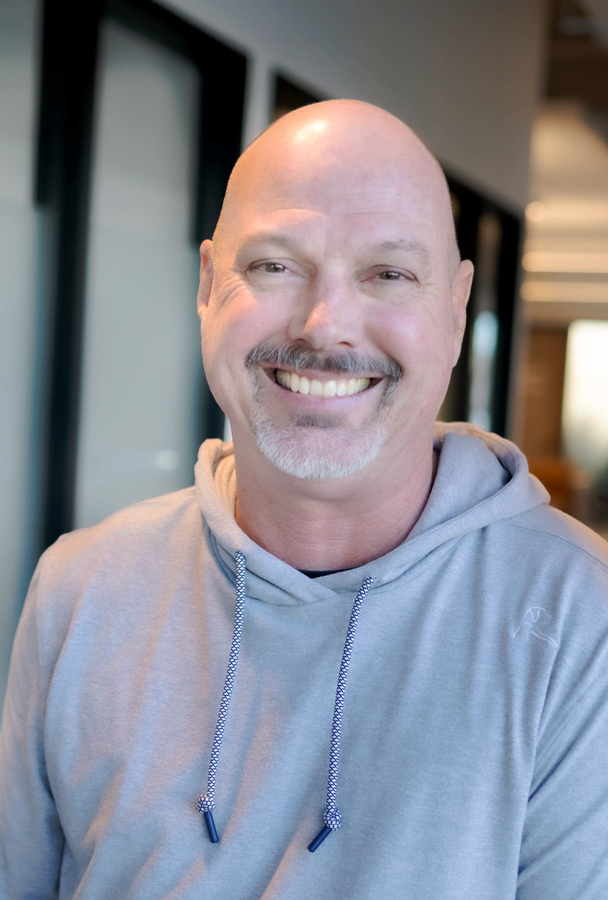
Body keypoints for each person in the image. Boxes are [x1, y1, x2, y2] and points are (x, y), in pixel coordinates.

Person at [1, 99, 608, 899]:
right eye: (275, 266)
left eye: (388, 274)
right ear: (208, 285)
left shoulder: (578, 619)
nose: (325, 327)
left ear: (457, 311)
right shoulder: (80, 588)